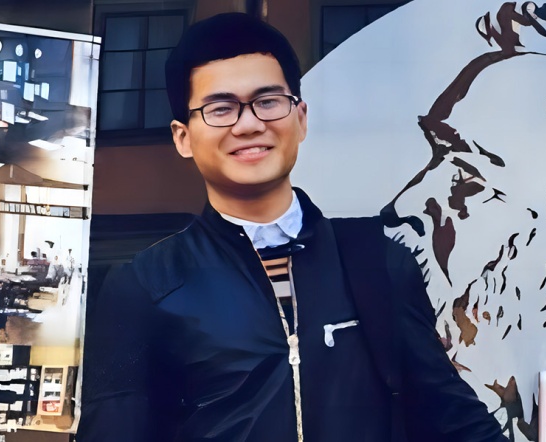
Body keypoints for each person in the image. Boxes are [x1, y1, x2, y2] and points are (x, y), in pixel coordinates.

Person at [77, 12, 509, 442]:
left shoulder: (376, 261)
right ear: (183, 137)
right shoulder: (145, 286)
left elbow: (454, 418)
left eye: (267, 102)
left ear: (300, 118)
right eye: (221, 108)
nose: (249, 124)